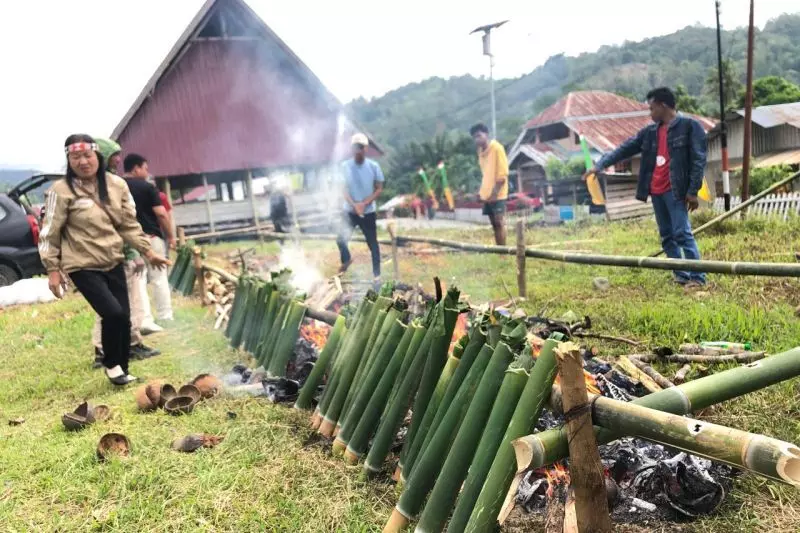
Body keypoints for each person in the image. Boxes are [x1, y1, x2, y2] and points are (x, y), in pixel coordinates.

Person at [39, 134, 170, 385]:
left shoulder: (117, 185)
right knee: (113, 313)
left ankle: (123, 367)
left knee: (125, 316)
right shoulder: (61, 190)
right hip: (81, 264)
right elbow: (49, 232)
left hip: (113, 259)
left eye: (88, 155)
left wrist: (149, 251)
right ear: (69, 160)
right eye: (75, 157)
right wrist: (53, 269)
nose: (83, 162)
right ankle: (111, 364)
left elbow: (129, 224)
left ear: (98, 156)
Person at [584, 87, 707, 286]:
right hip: (656, 190)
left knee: (682, 233)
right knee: (667, 236)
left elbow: (699, 160)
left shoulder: (690, 126)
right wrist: (599, 165)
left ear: (663, 105)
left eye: (652, 109)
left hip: (676, 190)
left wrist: (693, 191)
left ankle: (698, 277)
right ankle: (681, 275)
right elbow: (625, 148)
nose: (650, 113)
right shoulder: (649, 132)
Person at [89, 138, 160, 368]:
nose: (119, 159)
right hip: (109, 255)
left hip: (116, 251)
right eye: (114, 154)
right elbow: (122, 222)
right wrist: (134, 253)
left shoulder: (110, 182)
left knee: (124, 303)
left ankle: (130, 342)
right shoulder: (105, 185)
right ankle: (106, 349)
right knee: (113, 304)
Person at [123, 154, 176, 328]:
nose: (147, 172)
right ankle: (165, 316)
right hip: (151, 238)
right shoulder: (147, 188)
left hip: (129, 240)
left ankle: (144, 320)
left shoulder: (117, 186)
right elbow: (161, 213)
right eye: (145, 168)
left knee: (138, 280)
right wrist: (170, 235)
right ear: (136, 168)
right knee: (159, 277)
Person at [336, 133, 384, 280]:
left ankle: (377, 275)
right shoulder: (345, 166)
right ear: (352, 148)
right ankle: (346, 260)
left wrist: (364, 203)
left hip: (368, 212)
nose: (358, 150)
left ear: (366, 148)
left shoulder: (373, 166)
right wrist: (354, 205)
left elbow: (379, 188)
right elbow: (342, 189)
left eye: (361, 147)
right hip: (350, 211)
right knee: (341, 239)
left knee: (373, 244)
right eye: (356, 147)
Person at [471, 123, 509, 245]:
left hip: (498, 193)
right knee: (494, 224)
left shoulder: (497, 148)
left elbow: (502, 175)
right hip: (487, 195)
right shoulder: (480, 153)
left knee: (499, 222)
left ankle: (504, 252)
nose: (477, 139)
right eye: (474, 137)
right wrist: (481, 193)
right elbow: (486, 174)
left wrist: (494, 194)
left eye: (479, 135)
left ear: (486, 134)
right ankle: (499, 251)